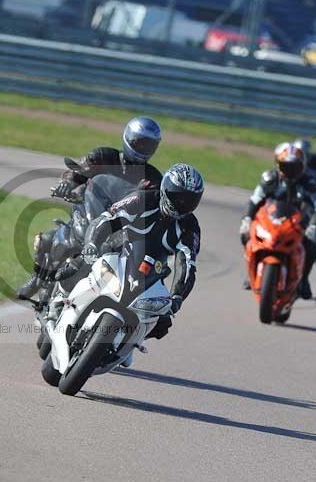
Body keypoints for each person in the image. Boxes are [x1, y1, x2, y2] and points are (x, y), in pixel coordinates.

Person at [17, 116, 164, 300]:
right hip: (88, 211)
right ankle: (38, 278)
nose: (142, 149)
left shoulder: (153, 178)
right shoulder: (103, 156)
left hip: (118, 229)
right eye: (139, 143)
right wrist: (67, 183)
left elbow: (156, 204)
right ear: (128, 138)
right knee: (50, 239)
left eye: (148, 146)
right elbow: (77, 172)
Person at [65, 163, 204, 343]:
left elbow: (186, 263)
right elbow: (108, 218)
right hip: (120, 247)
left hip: (154, 267)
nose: (182, 204)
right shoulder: (142, 198)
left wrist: (177, 296)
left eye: (189, 200)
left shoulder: (190, 226)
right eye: (177, 196)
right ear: (165, 189)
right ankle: (62, 302)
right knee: (79, 265)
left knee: (163, 323)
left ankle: (128, 342)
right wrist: (91, 243)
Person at [239, 142, 316, 299]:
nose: (290, 171)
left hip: (299, 222)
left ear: (302, 166)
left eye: (294, 167)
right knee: (246, 235)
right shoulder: (269, 178)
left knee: (312, 244)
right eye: (286, 166)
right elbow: (254, 200)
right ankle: (252, 273)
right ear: (278, 165)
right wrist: (247, 219)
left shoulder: (310, 183)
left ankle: (303, 280)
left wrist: (314, 226)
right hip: (271, 219)